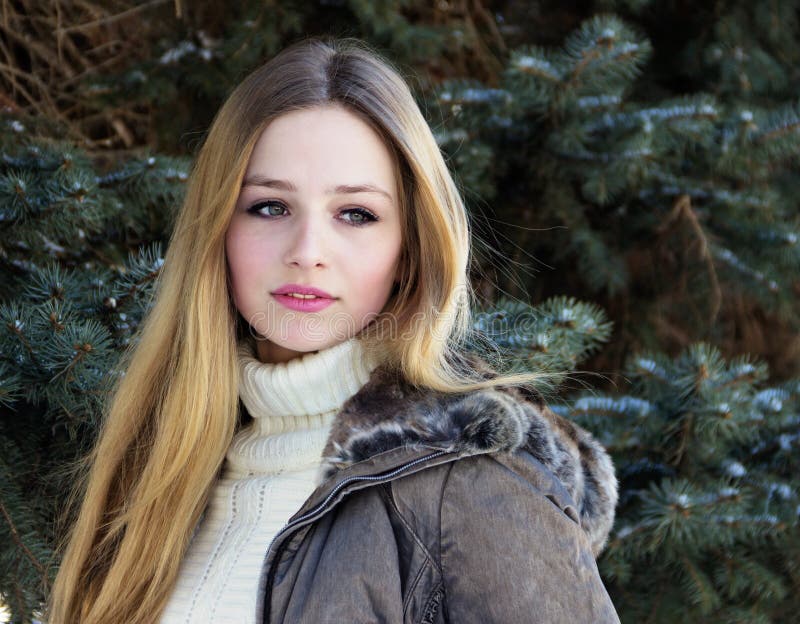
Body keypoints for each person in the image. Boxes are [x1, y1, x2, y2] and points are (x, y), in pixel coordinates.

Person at [47, 37, 620, 623]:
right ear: (216, 226)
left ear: (410, 250)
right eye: (270, 206)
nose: (307, 251)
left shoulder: (471, 480)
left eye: (356, 214)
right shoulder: (157, 469)